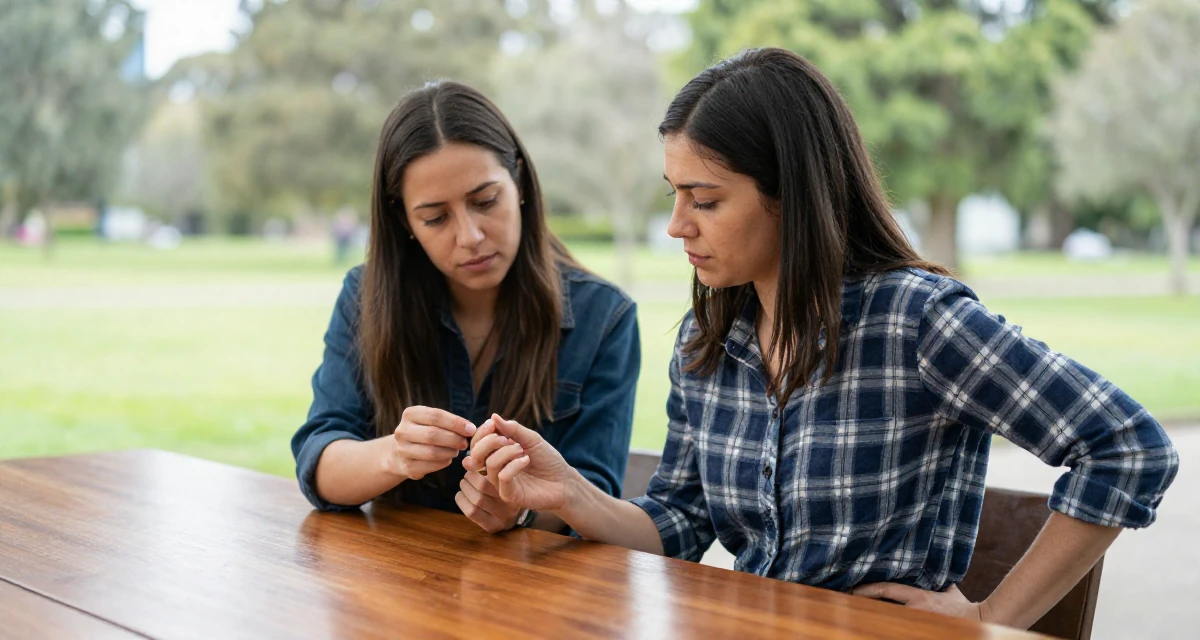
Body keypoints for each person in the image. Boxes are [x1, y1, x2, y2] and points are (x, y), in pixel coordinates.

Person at [464, 48, 1179, 628]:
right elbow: (678, 524)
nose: (679, 224)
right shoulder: (707, 342)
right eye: (673, 194)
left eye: (706, 200)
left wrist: (993, 618)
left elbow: (1127, 448)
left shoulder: (918, 323)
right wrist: (566, 493)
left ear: (791, 195)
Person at [291, 81, 640, 534]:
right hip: (396, 581)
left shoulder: (605, 318)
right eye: (435, 217)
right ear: (405, 221)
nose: (470, 236)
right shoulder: (366, 298)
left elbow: (597, 494)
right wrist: (394, 455)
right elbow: (319, 462)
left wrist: (524, 510)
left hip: (534, 591)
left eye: (485, 201)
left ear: (519, 182)